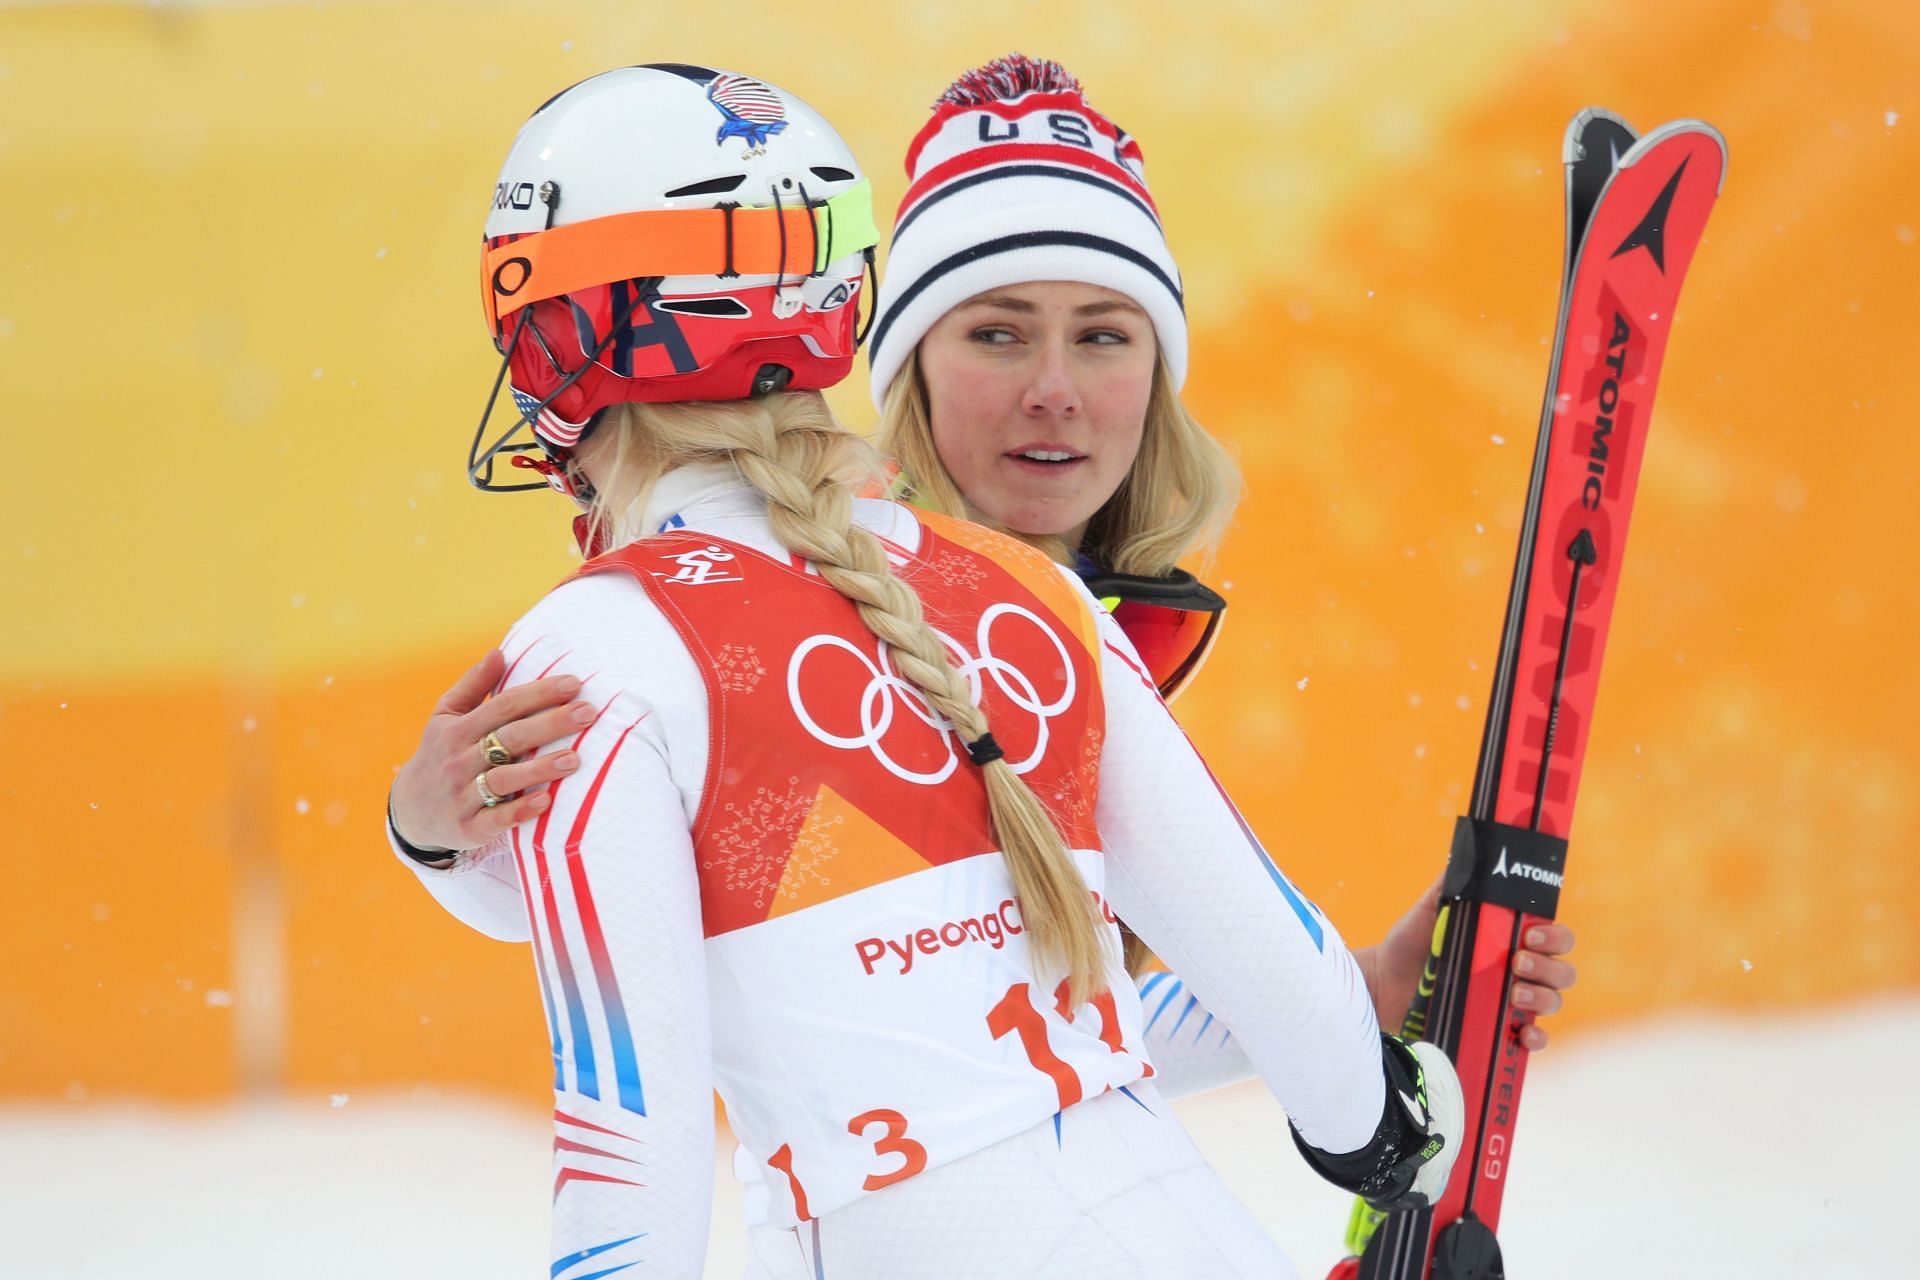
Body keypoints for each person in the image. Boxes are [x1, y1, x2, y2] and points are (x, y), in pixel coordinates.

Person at [412, 64, 1466, 1279]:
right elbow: (1289, 991)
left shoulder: (599, 649)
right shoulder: (1032, 584)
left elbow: (628, 1158)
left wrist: (423, 832)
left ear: (570, 333)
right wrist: (1383, 1133)